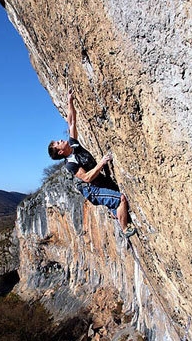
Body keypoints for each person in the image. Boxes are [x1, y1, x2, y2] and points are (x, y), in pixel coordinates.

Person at [48, 90, 136, 238]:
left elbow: (71, 122)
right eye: (58, 143)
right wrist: (102, 163)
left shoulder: (73, 145)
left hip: (98, 180)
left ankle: (115, 213)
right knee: (120, 199)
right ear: (60, 152)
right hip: (92, 189)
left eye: (59, 140)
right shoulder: (70, 164)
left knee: (114, 198)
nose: (61, 140)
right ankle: (125, 229)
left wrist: (70, 101)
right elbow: (87, 178)